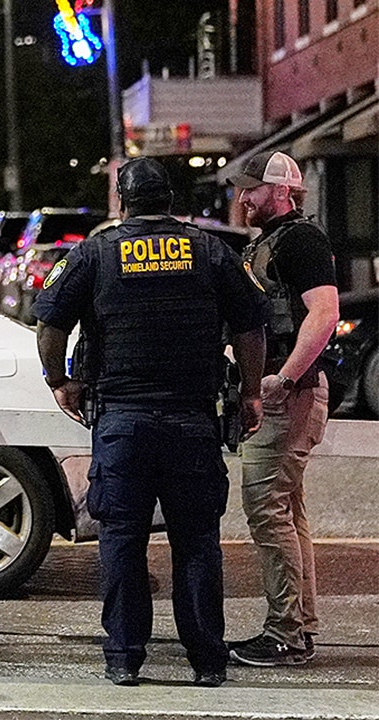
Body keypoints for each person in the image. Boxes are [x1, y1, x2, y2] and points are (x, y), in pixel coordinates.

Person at [33, 157, 266, 688]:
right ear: (171, 200)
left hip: (122, 423)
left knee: (121, 540)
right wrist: (251, 393)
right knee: (197, 541)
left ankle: (123, 656)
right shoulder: (209, 250)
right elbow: (252, 325)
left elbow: (49, 325)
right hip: (192, 421)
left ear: (123, 201)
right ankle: (207, 660)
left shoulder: (95, 253)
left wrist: (59, 381)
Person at [227, 151, 339, 667]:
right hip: (285, 392)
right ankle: (297, 628)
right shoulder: (275, 241)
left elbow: (325, 313)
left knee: (267, 511)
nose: (242, 198)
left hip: (288, 395)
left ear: (278, 191)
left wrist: (283, 378)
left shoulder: (299, 240)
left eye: (251, 189)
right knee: (287, 513)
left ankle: (285, 633)